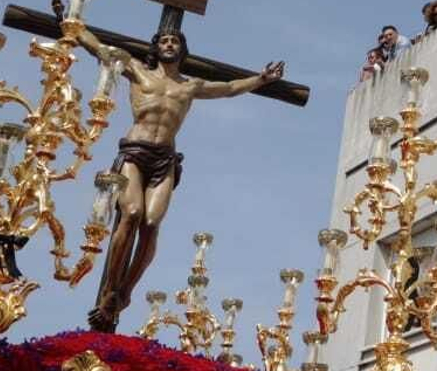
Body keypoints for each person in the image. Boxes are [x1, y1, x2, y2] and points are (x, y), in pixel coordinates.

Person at [74, 25, 284, 330]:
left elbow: (228, 88)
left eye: (175, 41)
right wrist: (73, 21)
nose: (169, 44)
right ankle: (109, 288)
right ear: (156, 47)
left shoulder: (190, 86)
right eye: (164, 40)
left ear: (182, 50)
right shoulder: (136, 70)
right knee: (131, 213)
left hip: (165, 159)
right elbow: (99, 49)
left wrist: (261, 79)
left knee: (150, 223)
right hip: (134, 152)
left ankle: (124, 293)